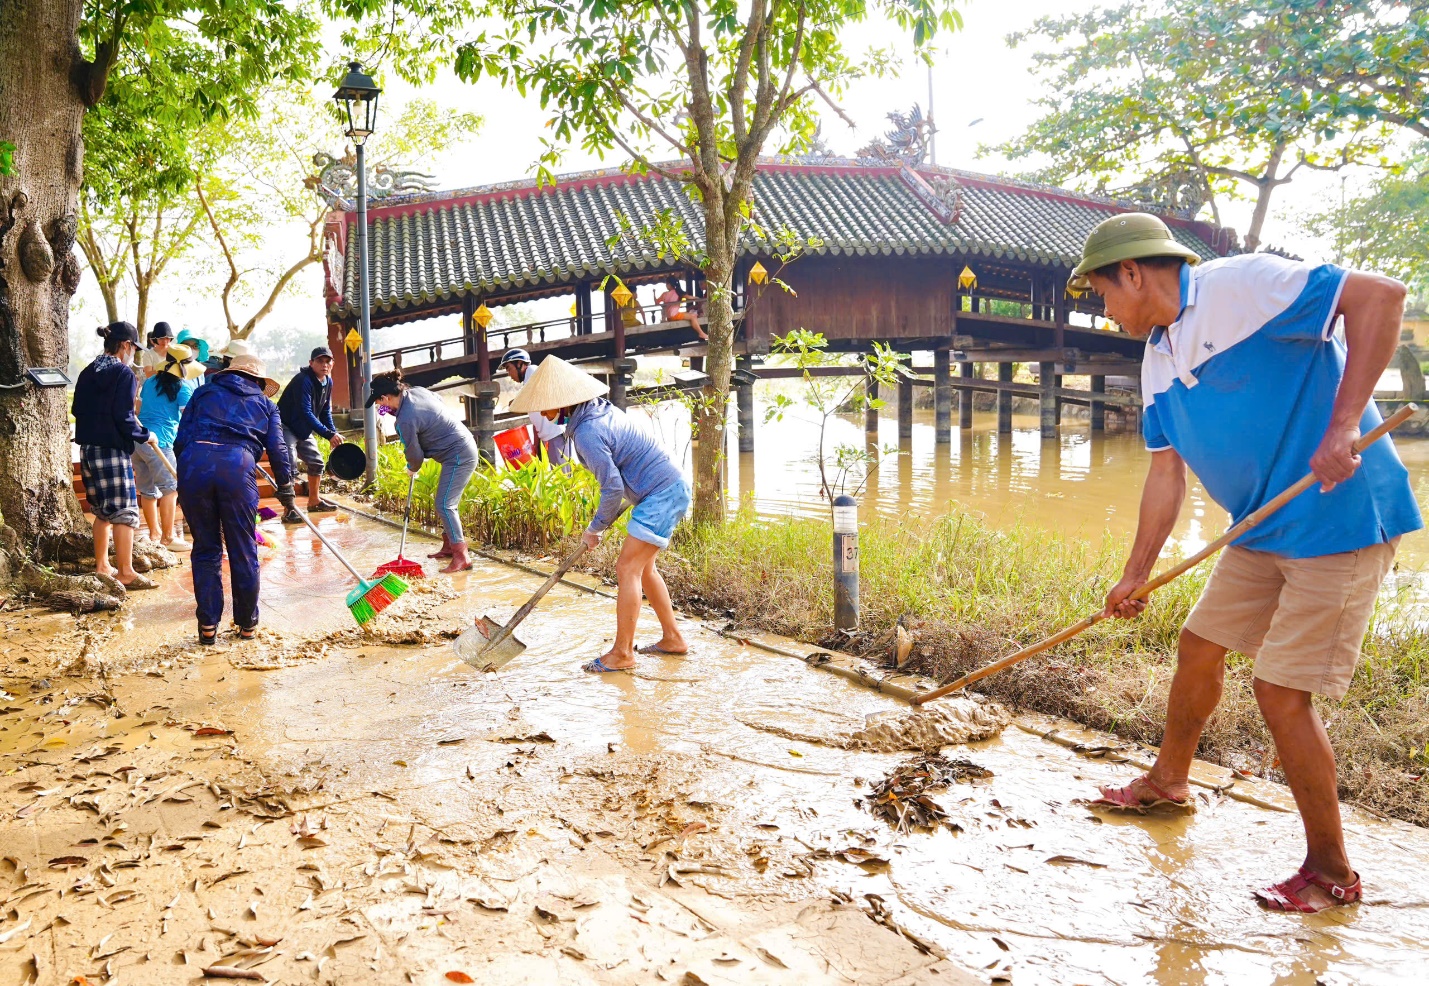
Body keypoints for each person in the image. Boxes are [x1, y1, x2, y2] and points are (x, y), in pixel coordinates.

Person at [1071, 213, 1421, 913]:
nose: (1105, 313)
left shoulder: (1242, 284)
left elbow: (1379, 296)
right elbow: (1163, 475)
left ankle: (1330, 871)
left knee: (1279, 691)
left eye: (1103, 295)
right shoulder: (1156, 358)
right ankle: (1168, 782)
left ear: (1133, 273)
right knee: (1199, 646)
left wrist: (1341, 427)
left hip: (1337, 520)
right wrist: (1135, 571)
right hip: (1260, 529)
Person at [509, 355, 691, 673]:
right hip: (665, 489)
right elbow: (622, 477)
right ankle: (673, 638)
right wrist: (605, 519)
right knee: (644, 569)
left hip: (660, 494)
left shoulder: (587, 433)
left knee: (626, 569)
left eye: (544, 406)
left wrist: (595, 527)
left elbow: (612, 486)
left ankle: (623, 654)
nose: (541, 412)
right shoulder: (598, 412)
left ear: (562, 403)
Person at [174, 353, 295, 644]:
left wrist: (190, 471)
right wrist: (286, 486)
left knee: (205, 549)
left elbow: (181, 439)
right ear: (257, 380)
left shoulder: (203, 393)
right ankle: (247, 626)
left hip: (194, 466)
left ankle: (207, 628)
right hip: (236, 469)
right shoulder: (266, 405)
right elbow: (278, 449)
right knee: (243, 549)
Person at [72, 321, 160, 591]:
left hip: (87, 449)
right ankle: (125, 571)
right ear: (125, 345)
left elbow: (76, 409)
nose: (134, 353)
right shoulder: (123, 374)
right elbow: (124, 417)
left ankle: (102, 566)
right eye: (134, 347)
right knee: (123, 511)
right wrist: (145, 435)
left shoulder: (88, 371)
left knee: (102, 511)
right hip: (111, 450)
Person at [367, 368, 479, 573]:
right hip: (460, 444)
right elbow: (436, 400)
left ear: (385, 398)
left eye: (378, 402)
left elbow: (415, 456)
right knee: (444, 500)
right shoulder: (416, 391)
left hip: (459, 455)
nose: (379, 407)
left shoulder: (405, 419)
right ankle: (448, 546)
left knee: (445, 504)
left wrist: (412, 468)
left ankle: (462, 556)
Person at [133, 342, 203, 550]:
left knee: (147, 491)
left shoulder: (150, 381)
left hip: (138, 440)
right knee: (170, 490)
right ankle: (168, 537)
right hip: (159, 442)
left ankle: (155, 535)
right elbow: (189, 417)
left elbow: (142, 405)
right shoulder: (183, 387)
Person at [276, 346, 345, 521]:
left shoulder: (328, 382)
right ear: (311, 363)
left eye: (328, 361)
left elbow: (325, 412)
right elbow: (305, 412)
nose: (324, 365)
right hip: (287, 425)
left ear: (332, 364)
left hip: (303, 427)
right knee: (290, 463)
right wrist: (328, 434)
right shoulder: (303, 380)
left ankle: (314, 501)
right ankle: (289, 509)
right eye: (320, 361)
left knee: (317, 462)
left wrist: (333, 434)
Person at [498, 348, 567, 465]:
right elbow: (537, 421)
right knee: (555, 477)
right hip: (548, 437)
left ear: (520, 364)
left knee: (563, 476)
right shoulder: (528, 384)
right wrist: (536, 446)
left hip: (556, 434)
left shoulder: (533, 371)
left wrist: (515, 403)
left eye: (509, 369)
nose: (509, 375)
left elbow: (522, 400)